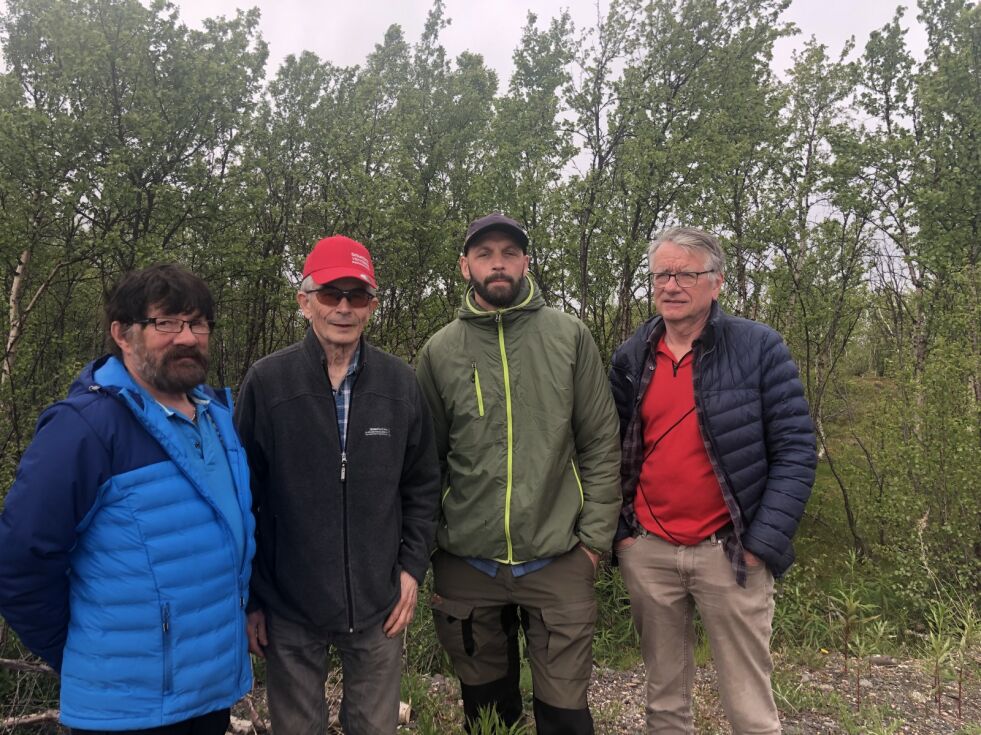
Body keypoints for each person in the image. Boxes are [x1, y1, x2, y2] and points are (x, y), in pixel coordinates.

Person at [0, 264, 254, 734]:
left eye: (198, 323)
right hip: (126, 710)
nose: (187, 337)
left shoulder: (216, 418)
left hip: (208, 692)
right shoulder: (86, 428)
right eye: (167, 323)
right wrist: (80, 651)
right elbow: (20, 561)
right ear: (122, 333)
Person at [415, 212, 622, 734]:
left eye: (509, 252)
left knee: (566, 717)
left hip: (559, 557)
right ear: (465, 267)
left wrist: (593, 543)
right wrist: (434, 544)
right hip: (467, 563)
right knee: (486, 714)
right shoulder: (440, 351)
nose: (498, 264)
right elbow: (425, 462)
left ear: (526, 261)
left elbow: (600, 442)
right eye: (485, 254)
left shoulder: (568, 335)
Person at [609, 226, 817, 734]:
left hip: (730, 552)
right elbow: (608, 451)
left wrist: (761, 543)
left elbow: (796, 449)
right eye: (662, 273)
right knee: (664, 703)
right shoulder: (632, 356)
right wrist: (624, 536)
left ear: (716, 282)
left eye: (686, 273)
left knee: (749, 707)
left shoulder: (759, 347)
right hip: (650, 551)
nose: (671, 284)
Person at [234, 235, 440, 735]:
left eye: (358, 295)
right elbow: (244, 497)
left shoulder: (400, 383)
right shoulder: (267, 382)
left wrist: (411, 567)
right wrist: (253, 598)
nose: (344, 308)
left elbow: (423, 485)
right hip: (289, 603)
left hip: (378, 602)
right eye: (330, 294)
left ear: (372, 305)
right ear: (304, 302)